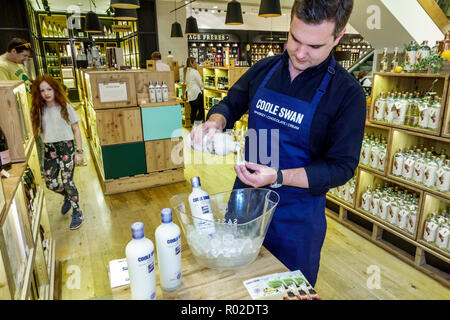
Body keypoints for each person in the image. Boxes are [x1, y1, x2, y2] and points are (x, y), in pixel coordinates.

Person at [190, 0, 366, 286]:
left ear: (338, 37)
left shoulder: (347, 94)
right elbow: (231, 102)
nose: (299, 52)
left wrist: (280, 176)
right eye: (295, 39)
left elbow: (341, 167)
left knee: (285, 289)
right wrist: (215, 122)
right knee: (235, 284)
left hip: (295, 219)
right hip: (246, 203)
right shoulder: (266, 69)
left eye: (315, 47)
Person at [30, 75, 84, 230]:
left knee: (68, 181)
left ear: (55, 89)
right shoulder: (38, 110)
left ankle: (77, 211)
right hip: (49, 149)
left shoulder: (65, 106)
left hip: (66, 147)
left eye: (49, 89)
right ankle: (67, 196)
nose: (46, 93)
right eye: (42, 90)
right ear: (38, 93)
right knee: (51, 183)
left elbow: (76, 128)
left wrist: (79, 152)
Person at [184, 57, 205, 123]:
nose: (196, 64)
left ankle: (193, 126)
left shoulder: (186, 71)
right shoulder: (195, 71)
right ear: (192, 63)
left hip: (189, 94)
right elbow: (200, 83)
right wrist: (202, 89)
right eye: (195, 62)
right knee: (201, 112)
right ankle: (196, 126)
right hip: (196, 93)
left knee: (193, 110)